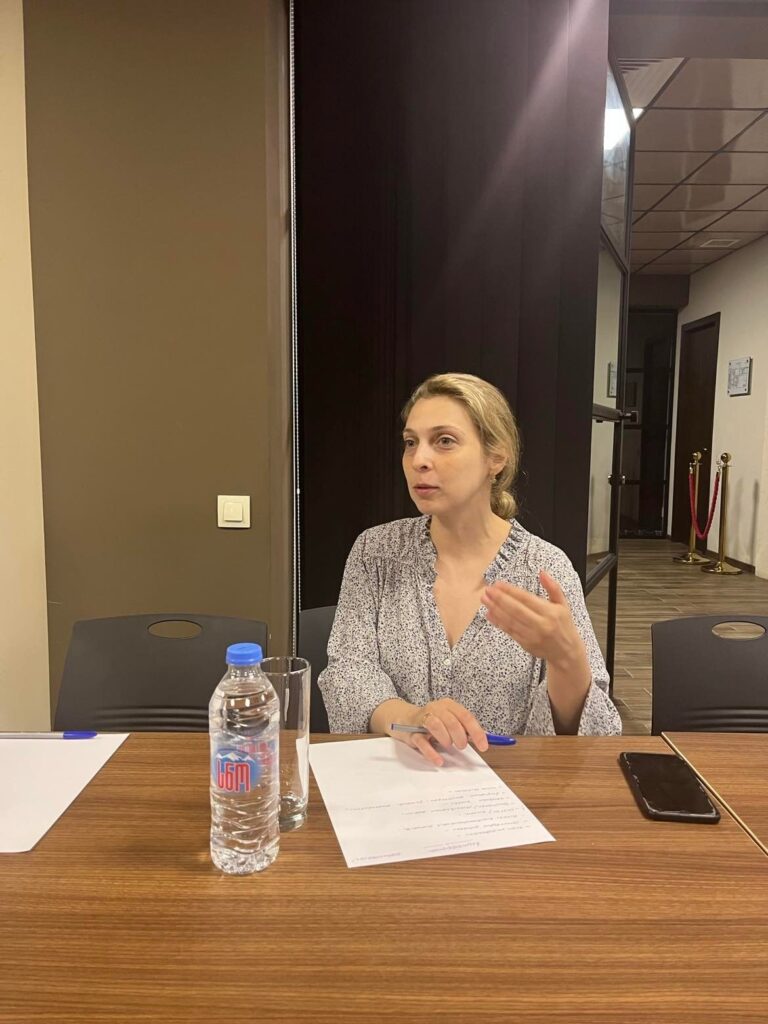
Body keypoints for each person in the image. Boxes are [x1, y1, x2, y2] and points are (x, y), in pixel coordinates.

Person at [318, 372, 621, 765]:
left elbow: (591, 738)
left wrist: (567, 661)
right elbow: (347, 674)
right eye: (410, 443)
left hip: (509, 787)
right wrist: (411, 717)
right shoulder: (376, 553)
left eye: (444, 441)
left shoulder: (544, 568)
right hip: (395, 783)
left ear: (496, 457)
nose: (419, 460)